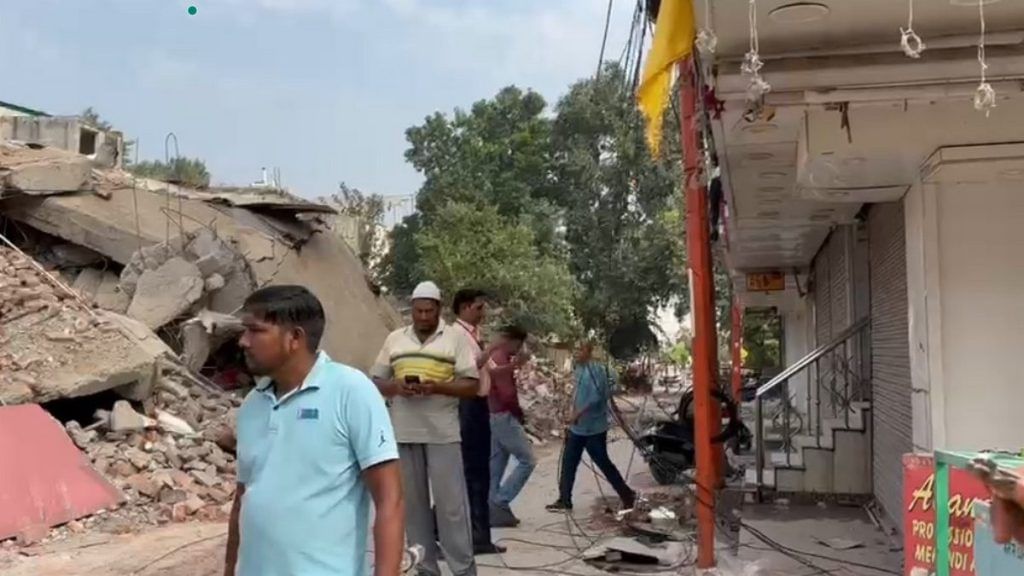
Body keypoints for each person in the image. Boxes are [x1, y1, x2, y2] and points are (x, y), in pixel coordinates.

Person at [225, 285, 404, 576]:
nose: (243, 341)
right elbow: (243, 497)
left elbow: (390, 500)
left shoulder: (351, 391)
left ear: (294, 338)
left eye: (255, 331)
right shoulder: (252, 405)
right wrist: (229, 569)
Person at [370, 281, 480, 576]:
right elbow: (375, 381)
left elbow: (473, 385)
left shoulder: (455, 338)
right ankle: (426, 569)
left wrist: (438, 387)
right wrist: (396, 386)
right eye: (417, 311)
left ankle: (464, 570)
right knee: (413, 508)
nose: (422, 317)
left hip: (443, 433)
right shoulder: (395, 339)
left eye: (428, 311)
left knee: (451, 509)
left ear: (438, 310)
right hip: (403, 433)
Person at [546, 341, 636, 513]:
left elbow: (595, 398)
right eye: (575, 349)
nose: (576, 353)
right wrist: (571, 413)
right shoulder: (578, 370)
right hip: (578, 427)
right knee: (568, 463)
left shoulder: (596, 371)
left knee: (603, 463)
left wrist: (577, 414)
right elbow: (577, 395)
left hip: (593, 427)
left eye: (580, 349)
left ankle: (627, 495)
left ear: (589, 351)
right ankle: (564, 500)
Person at [450, 288, 505, 555]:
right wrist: (493, 347)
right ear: (464, 307)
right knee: (474, 471)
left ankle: (477, 533)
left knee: (477, 470)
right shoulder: (457, 335)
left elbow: (489, 369)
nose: (483, 313)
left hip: (478, 405)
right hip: (467, 406)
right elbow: (470, 367)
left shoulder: (473, 335)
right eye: (479, 308)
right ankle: (477, 535)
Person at [487, 325, 535, 528]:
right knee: (528, 460)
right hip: (504, 416)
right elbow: (507, 394)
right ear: (515, 341)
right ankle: (500, 501)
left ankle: (492, 508)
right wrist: (519, 414)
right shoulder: (502, 359)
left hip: (492, 415)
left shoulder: (495, 357)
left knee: (496, 465)